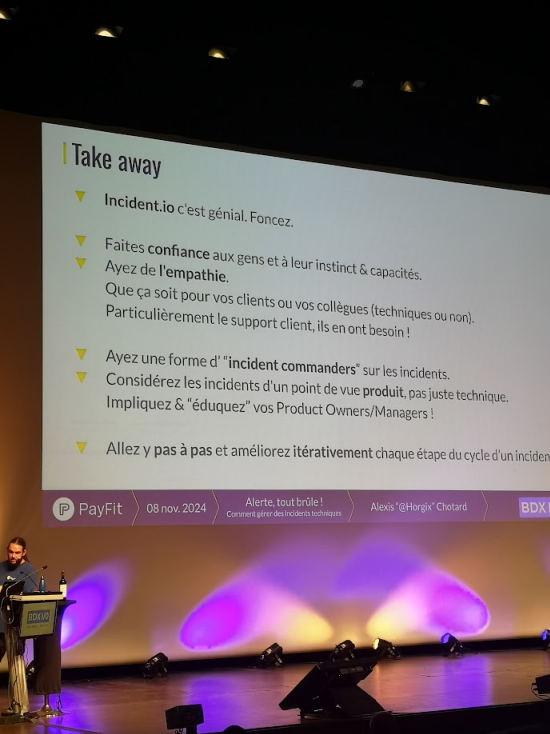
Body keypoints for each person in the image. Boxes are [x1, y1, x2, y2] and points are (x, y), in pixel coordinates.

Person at [0, 537, 37, 662]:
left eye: (17, 553)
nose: (13, 556)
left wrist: (4, 589)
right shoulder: (1, 567)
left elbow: (24, 596)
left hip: (15, 622)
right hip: (0, 620)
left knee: (16, 661)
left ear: (24, 553)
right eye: (11, 552)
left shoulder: (29, 571)